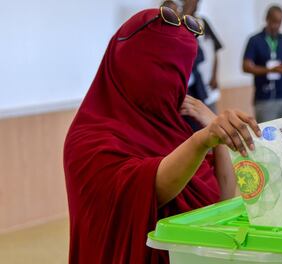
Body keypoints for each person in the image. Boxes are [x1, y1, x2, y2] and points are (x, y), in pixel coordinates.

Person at [63, 7, 261, 263]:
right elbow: (148, 187)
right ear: (130, 69)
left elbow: (220, 202)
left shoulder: (175, 128)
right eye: (161, 75)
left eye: (179, 78)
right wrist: (202, 139)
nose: (171, 89)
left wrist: (217, 136)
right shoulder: (89, 140)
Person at [243, 5, 282, 123]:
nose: (276, 26)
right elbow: (246, 66)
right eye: (274, 22)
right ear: (267, 19)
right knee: (268, 139)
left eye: (279, 22)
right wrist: (270, 70)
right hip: (264, 98)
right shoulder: (254, 40)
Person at [182, 0, 223, 113]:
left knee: (212, 117)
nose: (196, 4)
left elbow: (215, 50)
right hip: (192, 87)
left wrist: (215, 75)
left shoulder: (203, 22)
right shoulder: (180, 24)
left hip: (209, 83)